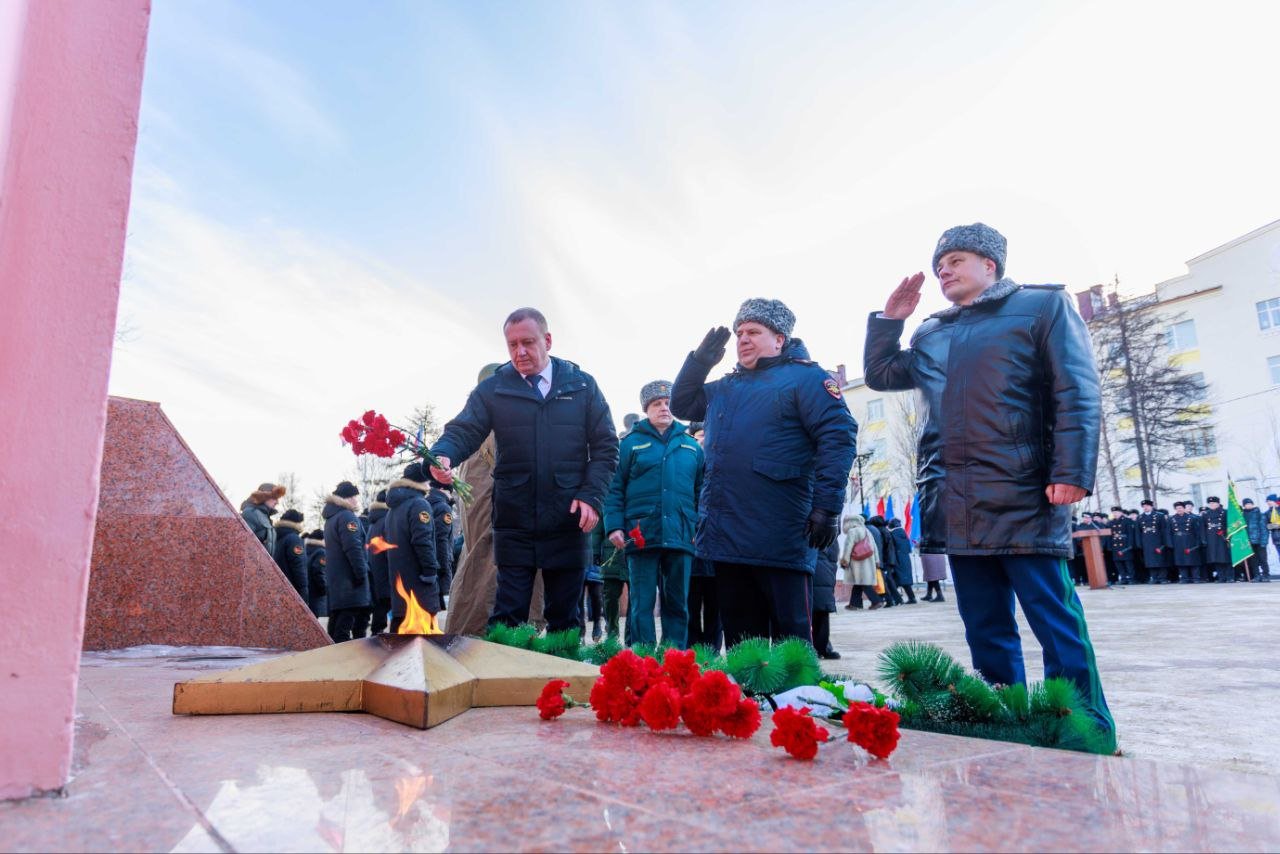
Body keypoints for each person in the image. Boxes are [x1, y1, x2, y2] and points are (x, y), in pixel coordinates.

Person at [864, 222, 1116, 748]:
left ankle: (1085, 729)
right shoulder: (932, 331)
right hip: (955, 499)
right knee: (985, 627)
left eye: (955, 260)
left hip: (1025, 492)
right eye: (939, 265)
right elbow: (884, 374)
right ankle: (1007, 722)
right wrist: (891, 321)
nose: (944, 271)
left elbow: (1077, 387)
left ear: (990, 265)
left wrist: (1071, 469)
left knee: (1056, 623)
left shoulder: (1041, 307)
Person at [672, 298, 857, 647]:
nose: (743, 338)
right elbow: (681, 404)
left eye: (753, 331)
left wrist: (827, 507)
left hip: (781, 531)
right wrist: (701, 361)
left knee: (791, 642)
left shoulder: (807, 379)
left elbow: (839, 437)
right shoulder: (726, 387)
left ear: (779, 339)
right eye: (739, 332)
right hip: (727, 537)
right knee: (745, 645)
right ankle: (750, 701)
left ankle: (798, 702)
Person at [429, 308, 620, 633]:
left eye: (528, 343)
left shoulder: (582, 387)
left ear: (547, 340)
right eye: (512, 344)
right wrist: (442, 455)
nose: (520, 352)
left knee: (565, 618)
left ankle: (563, 679)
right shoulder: (495, 390)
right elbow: (464, 430)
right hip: (515, 518)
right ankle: (508, 681)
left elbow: (605, 447)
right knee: (509, 614)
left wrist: (591, 495)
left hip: (568, 517)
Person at [446, 364, 548, 636]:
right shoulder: (495, 422)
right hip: (503, 523)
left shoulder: (474, 424)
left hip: (490, 525)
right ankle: (495, 640)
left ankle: (468, 637)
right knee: (494, 574)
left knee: (477, 568)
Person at [603, 380, 704, 648]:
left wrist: (696, 526)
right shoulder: (628, 445)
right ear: (646, 409)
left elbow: (700, 493)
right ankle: (644, 661)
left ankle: (675, 662)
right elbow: (614, 489)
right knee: (641, 604)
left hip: (681, 534)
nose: (664, 408)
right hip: (641, 535)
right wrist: (614, 526)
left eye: (668, 402)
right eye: (657, 404)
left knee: (677, 604)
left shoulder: (692, 446)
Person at [385, 463, 442, 629]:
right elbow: (423, 541)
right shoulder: (418, 504)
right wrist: (430, 571)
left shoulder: (393, 509)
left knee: (400, 636)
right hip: (418, 583)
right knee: (424, 643)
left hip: (400, 582)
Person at [322, 481, 372, 642]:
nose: (356, 501)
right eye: (354, 497)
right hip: (349, 579)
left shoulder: (332, 518)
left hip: (338, 579)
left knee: (337, 620)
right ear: (347, 498)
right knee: (345, 624)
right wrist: (361, 573)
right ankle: (341, 661)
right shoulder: (346, 517)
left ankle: (331, 656)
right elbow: (353, 547)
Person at [591, 525, 628, 642]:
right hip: (610, 555)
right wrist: (595, 551)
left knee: (637, 600)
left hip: (634, 554)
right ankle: (612, 634)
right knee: (610, 597)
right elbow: (597, 530)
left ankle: (631, 637)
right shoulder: (606, 506)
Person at [841, 514, 881, 610]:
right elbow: (874, 547)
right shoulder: (866, 530)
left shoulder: (852, 531)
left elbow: (848, 547)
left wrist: (845, 560)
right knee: (858, 582)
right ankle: (855, 604)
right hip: (868, 560)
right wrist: (877, 560)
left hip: (858, 561)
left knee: (863, 583)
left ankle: (876, 601)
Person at [427, 475, 456, 600]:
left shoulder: (426, 504)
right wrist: (444, 566)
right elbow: (441, 539)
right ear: (443, 489)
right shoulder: (444, 508)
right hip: (441, 566)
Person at [366, 490, 392, 635]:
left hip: (376, 570)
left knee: (380, 607)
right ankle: (379, 638)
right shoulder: (386, 520)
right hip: (385, 572)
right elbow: (390, 549)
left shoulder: (374, 522)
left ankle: (377, 634)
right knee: (383, 606)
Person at [272, 508, 308, 601]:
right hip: (292, 591)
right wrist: (304, 591)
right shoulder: (294, 539)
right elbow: (298, 566)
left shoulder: (275, 537)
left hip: (277, 588)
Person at [812, 541, 840, 660]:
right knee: (822, 612)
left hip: (813, 571)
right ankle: (823, 648)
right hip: (827, 574)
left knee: (808, 613)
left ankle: (815, 648)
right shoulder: (832, 535)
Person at [241, 483, 286, 554]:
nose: (277, 502)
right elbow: (242, 545)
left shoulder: (266, 518)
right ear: (264, 497)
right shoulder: (251, 513)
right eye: (275, 498)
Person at [866, 515, 899, 606]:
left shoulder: (881, 531)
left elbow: (882, 547)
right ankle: (894, 599)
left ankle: (894, 599)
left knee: (887, 580)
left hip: (886, 559)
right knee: (887, 579)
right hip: (889, 558)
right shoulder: (884, 530)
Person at [1137, 499, 1170, 584]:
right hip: (1146, 542)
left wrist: (1165, 542)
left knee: (1160, 560)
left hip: (1158, 541)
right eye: (1143, 506)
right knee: (1150, 561)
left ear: (1151, 506)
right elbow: (1138, 532)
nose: (1145, 508)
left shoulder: (1159, 516)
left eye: (1147, 506)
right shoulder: (1140, 517)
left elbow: (1164, 530)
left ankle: (1162, 578)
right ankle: (1154, 577)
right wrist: (1139, 543)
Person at [1169, 501, 1203, 584]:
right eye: (1177, 508)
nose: (1179, 510)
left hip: (1190, 540)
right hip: (1177, 541)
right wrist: (1170, 543)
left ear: (1184, 508)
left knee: (1193, 560)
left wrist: (1198, 542)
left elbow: (1197, 531)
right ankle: (1184, 578)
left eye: (1180, 508)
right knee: (1181, 561)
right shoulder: (1172, 519)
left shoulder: (1192, 518)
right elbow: (1169, 532)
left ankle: (1196, 578)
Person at [1200, 496, 1232, 583]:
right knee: (1216, 559)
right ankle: (1221, 577)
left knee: (1226, 558)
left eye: (1214, 503)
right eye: (1210, 503)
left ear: (1218, 503)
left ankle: (1230, 577)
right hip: (1211, 539)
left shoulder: (1225, 512)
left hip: (1223, 538)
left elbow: (1230, 525)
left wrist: (1228, 535)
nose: (1212, 505)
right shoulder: (1205, 514)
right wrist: (1204, 539)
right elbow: (1203, 528)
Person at [887, 518, 917, 604]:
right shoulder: (903, 533)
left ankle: (896, 598)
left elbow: (892, 549)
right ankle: (910, 598)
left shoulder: (893, 534)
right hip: (905, 559)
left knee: (896, 579)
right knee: (903, 579)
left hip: (897, 560)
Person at [1105, 506, 1137, 586]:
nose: (1115, 514)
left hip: (1125, 545)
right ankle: (1123, 578)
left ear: (1121, 513)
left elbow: (1130, 534)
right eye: (1113, 513)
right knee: (1119, 563)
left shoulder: (1127, 521)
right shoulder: (1111, 522)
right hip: (1115, 545)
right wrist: (1109, 546)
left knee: (1128, 563)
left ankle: (1131, 578)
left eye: (1116, 512)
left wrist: (1130, 545)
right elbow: (1109, 536)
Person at [1242, 498, 1271, 583]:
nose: (1248, 505)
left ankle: (1266, 575)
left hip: (1259, 541)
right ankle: (1256, 575)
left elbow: (1264, 529)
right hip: (1249, 542)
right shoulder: (1242, 515)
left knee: (1263, 559)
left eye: (1250, 503)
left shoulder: (1259, 514)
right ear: (1244, 506)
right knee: (1253, 560)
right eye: (1246, 504)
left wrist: (1264, 541)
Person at [303, 529, 328, 618]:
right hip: (317, 593)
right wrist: (325, 589)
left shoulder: (305, 549)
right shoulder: (321, 552)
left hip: (307, 590)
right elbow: (319, 571)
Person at [581, 562, 604, 642]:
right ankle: (581, 631)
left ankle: (597, 624)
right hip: (579, 562)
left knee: (596, 595)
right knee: (578, 599)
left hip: (596, 564)